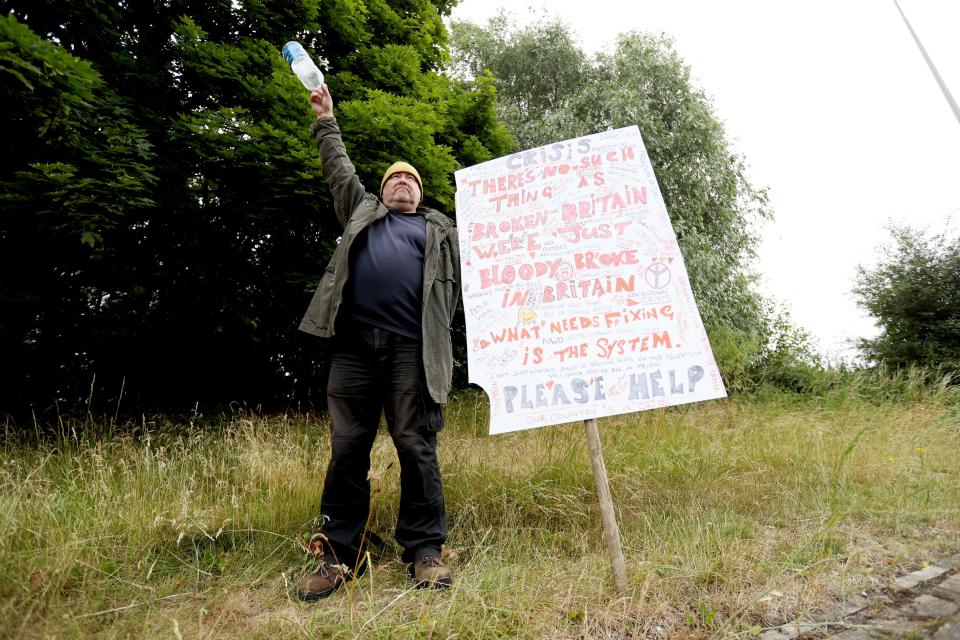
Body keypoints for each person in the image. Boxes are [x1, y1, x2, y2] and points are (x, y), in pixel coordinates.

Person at [296, 84, 460, 601]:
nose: (403, 184)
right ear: (382, 191)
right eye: (395, 179)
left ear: (421, 191)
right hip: (354, 349)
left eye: (412, 178)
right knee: (348, 448)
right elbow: (339, 168)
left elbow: (503, 235)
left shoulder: (443, 232)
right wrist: (325, 119)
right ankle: (339, 555)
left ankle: (425, 551)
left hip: (414, 349)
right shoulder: (362, 212)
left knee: (415, 444)